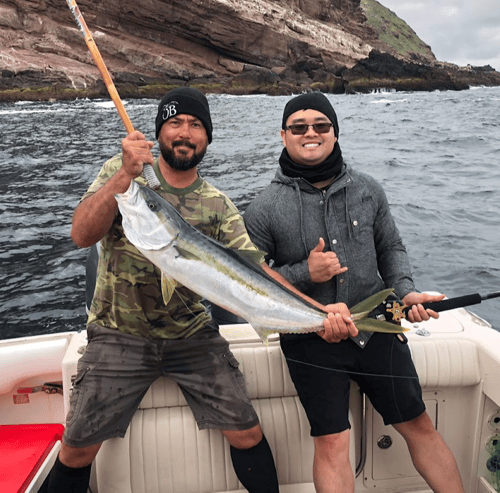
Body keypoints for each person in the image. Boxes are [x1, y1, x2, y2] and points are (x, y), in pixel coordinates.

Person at [39, 88, 353, 493]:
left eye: (196, 125)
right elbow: (82, 235)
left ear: (207, 138)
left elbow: (256, 270)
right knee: (77, 447)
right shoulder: (127, 181)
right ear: (159, 133)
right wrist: (123, 177)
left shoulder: (217, 204)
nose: (185, 133)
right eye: (175, 123)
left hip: (191, 335)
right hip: (119, 334)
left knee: (246, 432)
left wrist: (320, 313)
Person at [243, 92, 465, 493]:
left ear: (334, 131)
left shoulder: (369, 189)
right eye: (299, 127)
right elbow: (252, 283)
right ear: (283, 135)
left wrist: (407, 294)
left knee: (418, 424)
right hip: (310, 338)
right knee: (331, 442)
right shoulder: (263, 208)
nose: (310, 132)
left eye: (321, 125)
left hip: (376, 328)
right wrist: (304, 273)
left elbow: (391, 249)